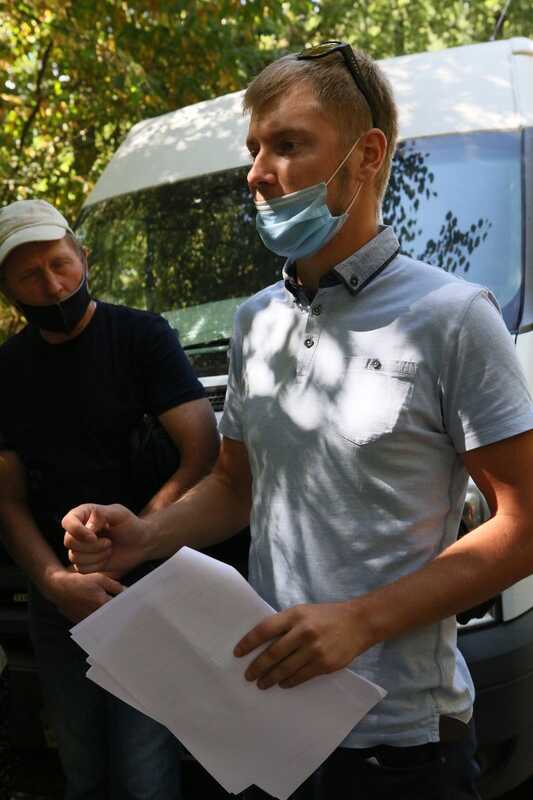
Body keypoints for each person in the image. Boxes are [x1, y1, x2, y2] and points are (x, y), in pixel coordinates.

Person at [63, 42, 533, 799]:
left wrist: (360, 621)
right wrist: (143, 537)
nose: (256, 172)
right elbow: (236, 484)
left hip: (399, 745)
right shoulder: (256, 322)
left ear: (365, 155)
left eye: (287, 145)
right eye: (254, 149)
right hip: (266, 725)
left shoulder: (453, 318)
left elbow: (525, 523)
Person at [0, 199, 220, 800]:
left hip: (148, 583)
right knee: (81, 768)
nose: (52, 285)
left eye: (59, 263)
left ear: (84, 257)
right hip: (57, 598)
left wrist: (136, 540)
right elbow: (8, 501)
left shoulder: (142, 336)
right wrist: (55, 583)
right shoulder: (8, 370)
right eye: (29, 275)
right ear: (8, 291)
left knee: (144, 768)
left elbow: (203, 452)